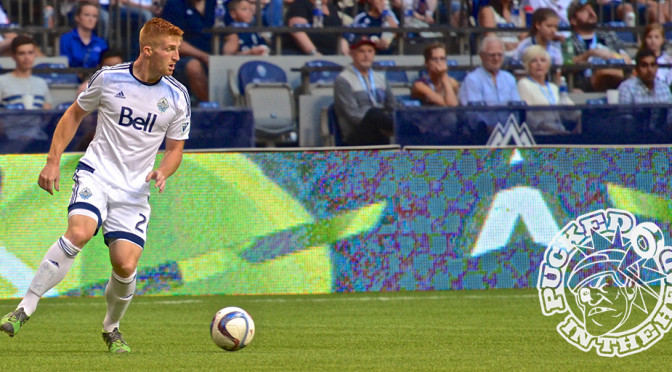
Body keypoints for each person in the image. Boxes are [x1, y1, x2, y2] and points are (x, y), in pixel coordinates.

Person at [0, 18, 191, 354]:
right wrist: (53, 160)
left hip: (134, 190)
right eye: (170, 49)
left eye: (177, 49)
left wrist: (163, 170)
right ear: (148, 50)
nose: (177, 56)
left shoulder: (177, 96)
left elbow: (175, 149)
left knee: (125, 264)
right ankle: (25, 306)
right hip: (97, 173)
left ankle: (111, 327)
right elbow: (74, 113)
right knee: (79, 233)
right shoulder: (109, 78)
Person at [334, 36, 397, 145]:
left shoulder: (380, 78)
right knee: (373, 113)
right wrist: (379, 125)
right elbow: (353, 116)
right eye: (361, 51)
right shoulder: (343, 80)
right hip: (356, 135)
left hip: (383, 130)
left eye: (370, 51)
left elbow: (393, 105)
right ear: (352, 54)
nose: (366, 55)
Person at [567, 0, 631, 92]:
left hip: (615, 83)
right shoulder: (569, 42)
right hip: (584, 87)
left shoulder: (609, 35)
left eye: (591, 9)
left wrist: (611, 55)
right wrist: (590, 54)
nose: (591, 13)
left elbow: (627, 58)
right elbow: (567, 65)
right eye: (584, 11)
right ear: (573, 20)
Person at [517, 45, 577, 134]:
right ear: (527, 65)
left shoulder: (553, 87)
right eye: (534, 61)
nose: (539, 64)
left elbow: (572, 111)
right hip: (539, 135)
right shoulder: (524, 84)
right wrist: (554, 131)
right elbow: (528, 117)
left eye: (543, 60)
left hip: (560, 132)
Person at [162, 0, 213, 102]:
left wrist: (224, 57)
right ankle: (212, 108)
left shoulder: (215, 5)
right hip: (181, 58)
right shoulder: (174, 5)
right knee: (194, 66)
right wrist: (204, 56)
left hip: (214, 55)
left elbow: (232, 37)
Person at [459, 35, 520, 105]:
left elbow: (516, 108)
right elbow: (474, 112)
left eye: (499, 55)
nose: (496, 59)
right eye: (492, 55)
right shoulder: (472, 79)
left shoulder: (510, 79)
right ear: (482, 56)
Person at [282, 0, 349, 55]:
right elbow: (297, 31)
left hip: (331, 54)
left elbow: (338, 31)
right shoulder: (301, 4)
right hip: (304, 55)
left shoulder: (331, 8)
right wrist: (314, 53)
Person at [60, 1, 109, 68]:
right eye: (87, 15)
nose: (91, 19)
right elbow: (65, 64)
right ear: (77, 17)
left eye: (94, 16)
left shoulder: (101, 42)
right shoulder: (66, 39)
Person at [640, 23, 672, 87]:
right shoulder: (639, 60)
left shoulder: (669, 61)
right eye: (649, 37)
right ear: (645, 39)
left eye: (656, 37)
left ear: (663, 40)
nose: (653, 40)